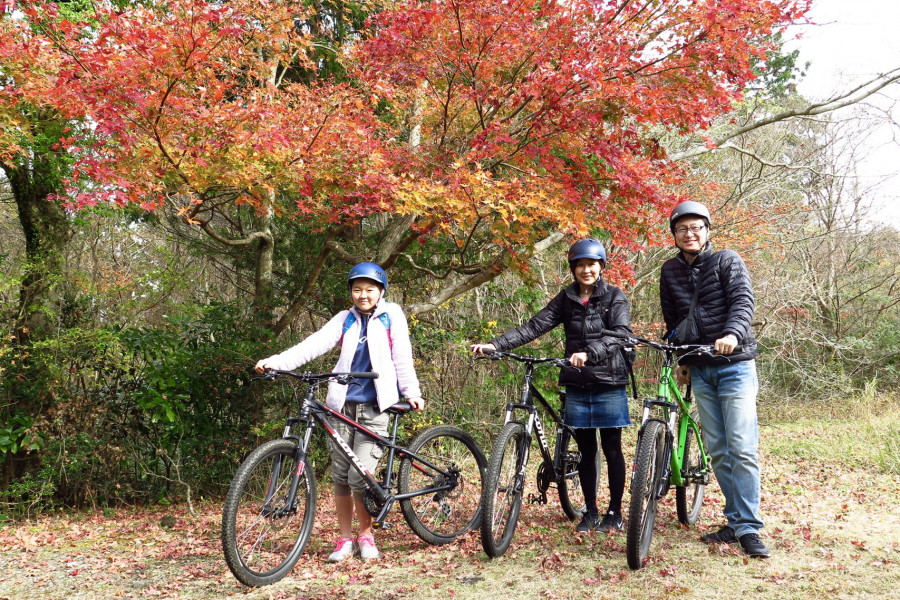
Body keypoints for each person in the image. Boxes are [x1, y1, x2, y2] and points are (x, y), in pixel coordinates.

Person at [255, 262, 423, 562]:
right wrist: (276, 362)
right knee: (341, 478)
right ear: (351, 293)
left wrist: (412, 391)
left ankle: (366, 535)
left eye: (370, 290)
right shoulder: (345, 319)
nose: (363, 295)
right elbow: (313, 344)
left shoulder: (390, 315)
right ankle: (345, 539)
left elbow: (402, 354)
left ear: (380, 291)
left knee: (362, 477)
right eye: (357, 290)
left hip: (375, 405)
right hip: (341, 406)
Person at [471, 239, 633, 533]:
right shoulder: (566, 298)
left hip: (609, 380)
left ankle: (615, 512)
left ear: (601, 267)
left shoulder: (614, 297)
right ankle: (591, 511)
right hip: (577, 382)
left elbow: (621, 336)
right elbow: (535, 326)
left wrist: (590, 353)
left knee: (611, 448)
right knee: (585, 449)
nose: (586, 270)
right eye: (580, 265)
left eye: (591, 264)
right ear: (573, 268)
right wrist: (496, 345)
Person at [659, 201, 769, 558]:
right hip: (701, 369)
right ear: (674, 235)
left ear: (706, 230)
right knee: (719, 451)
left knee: (741, 446)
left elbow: (743, 303)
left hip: (734, 364)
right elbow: (673, 320)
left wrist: (733, 335)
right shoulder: (669, 272)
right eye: (682, 229)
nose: (689, 234)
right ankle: (736, 520)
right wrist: (681, 358)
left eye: (696, 228)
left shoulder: (727, 261)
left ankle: (749, 527)